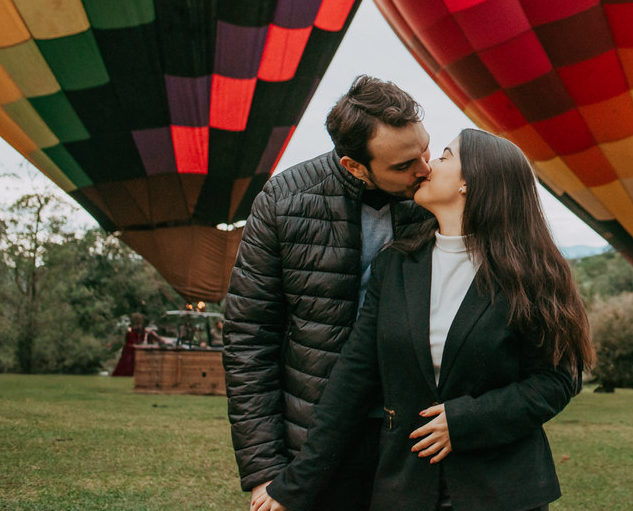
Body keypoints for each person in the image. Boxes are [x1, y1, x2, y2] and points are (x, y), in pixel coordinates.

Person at [255, 129, 594, 511]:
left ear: (470, 182)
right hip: (404, 488)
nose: (428, 165)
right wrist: (295, 485)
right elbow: (352, 380)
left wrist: (466, 420)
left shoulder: (533, 274)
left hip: (501, 491)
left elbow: (556, 380)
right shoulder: (395, 265)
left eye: (446, 156)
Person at [223, 77, 434, 511]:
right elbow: (249, 338)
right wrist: (264, 469)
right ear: (354, 166)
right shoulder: (284, 202)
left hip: (415, 436)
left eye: (425, 151)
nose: (424, 170)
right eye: (403, 165)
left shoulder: (437, 199)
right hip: (317, 435)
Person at [110, 312, 161, 377]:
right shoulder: (131, 332)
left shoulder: (144, 332)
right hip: (130, 353)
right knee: (126, 367)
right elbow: (130, 343)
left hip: (136, 352)